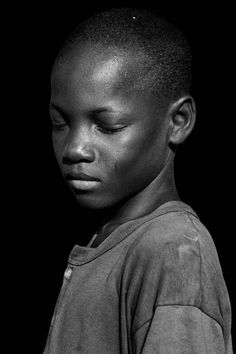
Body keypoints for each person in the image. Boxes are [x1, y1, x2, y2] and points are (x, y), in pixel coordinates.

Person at [44, 8, 233, 353]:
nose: (74, 148)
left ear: (178, 121)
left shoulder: (174, 251)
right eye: (60, 123)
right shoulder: (115, 238)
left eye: (108, 126)